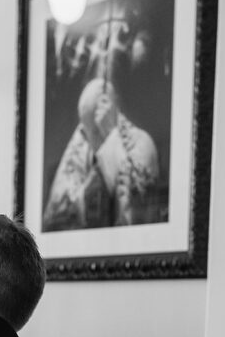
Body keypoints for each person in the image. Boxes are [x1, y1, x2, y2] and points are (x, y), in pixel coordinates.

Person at [43, 77, 160, 230]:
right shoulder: (80, 147)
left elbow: (138, 212)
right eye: (88, 131)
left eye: (96, 131)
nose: (90, 138)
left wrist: (112, 136)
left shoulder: (141, 142)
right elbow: (53, 218)